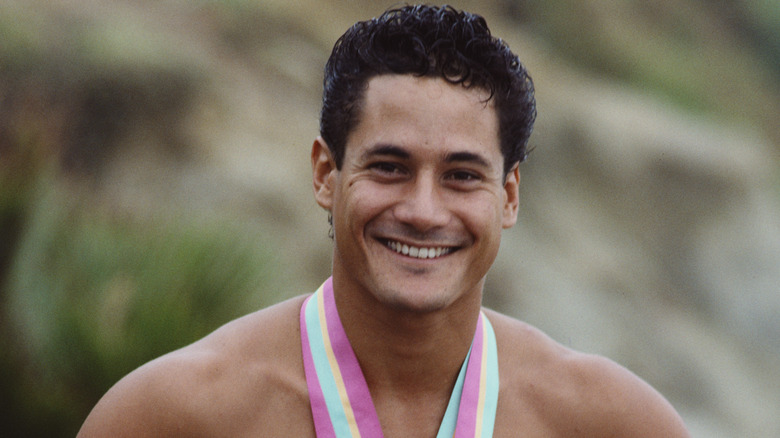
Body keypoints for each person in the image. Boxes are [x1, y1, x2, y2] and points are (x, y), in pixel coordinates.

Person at [78, 5, 690, 437]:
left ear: (508, 195)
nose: (423, 212)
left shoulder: (610, 423)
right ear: (326, 174)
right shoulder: (171, 415)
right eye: (390, 167)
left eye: (462, 175)